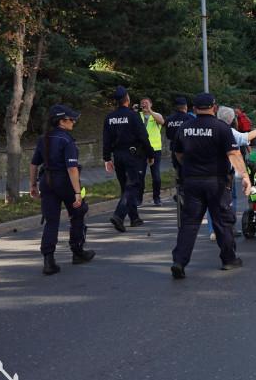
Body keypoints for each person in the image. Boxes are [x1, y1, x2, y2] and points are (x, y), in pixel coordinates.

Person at [170, 92, 251, 279]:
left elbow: (179, 155)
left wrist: (190, 169)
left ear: (194, 109)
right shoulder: (221, 127)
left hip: (191, 182)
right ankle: (229, 259)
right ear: (214, 108)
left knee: (189, 223)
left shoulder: (184, 127)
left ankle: (179, 262)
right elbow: (233, 154)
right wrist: (245, 177)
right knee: (223, 221)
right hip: (216, 183)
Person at [29, 104, 95, 275]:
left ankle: (48, 260)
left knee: (51, 221)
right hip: (65, 182)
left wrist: (32, 186)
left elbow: (34, 163)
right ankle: (77, 252)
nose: (74, 122)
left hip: (47, 182)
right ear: (61, 121)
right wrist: (77, 193)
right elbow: (72, 169)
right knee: (78, 212)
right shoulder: (67, 140)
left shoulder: (43, 138)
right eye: (71, 119)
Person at [206, 107, 256, 240]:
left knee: (212, 202)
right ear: (232, 120)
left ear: (217, 117)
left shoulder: (209, 130)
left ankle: (213, 231)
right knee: (229, 199)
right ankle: (229, 228)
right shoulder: (230, 132)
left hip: (209, 172)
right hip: (226, 172)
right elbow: (248, 137)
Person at [102, 86, 152, 232]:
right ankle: (119, 215)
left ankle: (134, 218)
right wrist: (150, 154)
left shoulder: (109, 117)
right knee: (134, 185)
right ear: (128, 100)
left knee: (126, 186)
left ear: (115, 101)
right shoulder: (133, 116)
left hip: (117, 156)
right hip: (132, 155)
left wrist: (107, 158)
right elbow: (144, 137)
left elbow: (106, 140)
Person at [137, 96, 165, 207]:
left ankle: (156, 198)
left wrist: (150, 111)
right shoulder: (138, 116)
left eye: (146, 103)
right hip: (141, 150)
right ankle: (139, 199)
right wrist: (135, 110)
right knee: (140, 175)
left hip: (155, 150)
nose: (144, 105)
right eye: (142, 103)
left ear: (151, 104)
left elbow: (162, 122)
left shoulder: (156, 115)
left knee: (156, 176)